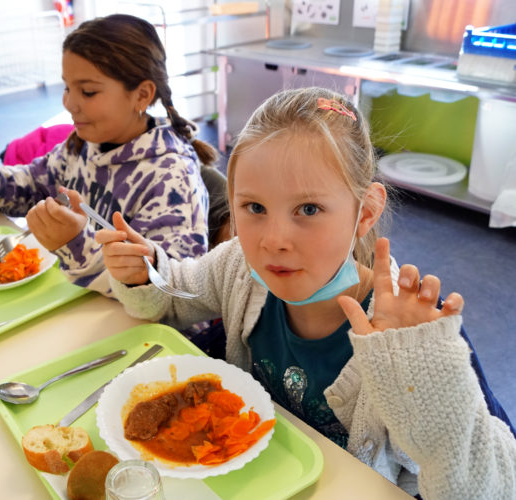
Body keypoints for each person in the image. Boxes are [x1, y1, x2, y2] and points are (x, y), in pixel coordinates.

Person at [96, 87, 516, 499]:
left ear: (365, 213)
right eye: (254, 208)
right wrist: (143, 272)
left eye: (309, 210)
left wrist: (427, 388)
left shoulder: (409, 339)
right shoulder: (238, 266)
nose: (273, 240)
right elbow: (172, 296)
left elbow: (491, 488)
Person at [0, 14, 217, 297]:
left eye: (88, 91)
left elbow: (170, 295)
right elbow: (34, 183)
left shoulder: (171, 180)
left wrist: (74, 244)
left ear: (141, 95)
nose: (70, 103)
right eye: (67, 88)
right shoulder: (85, 144)